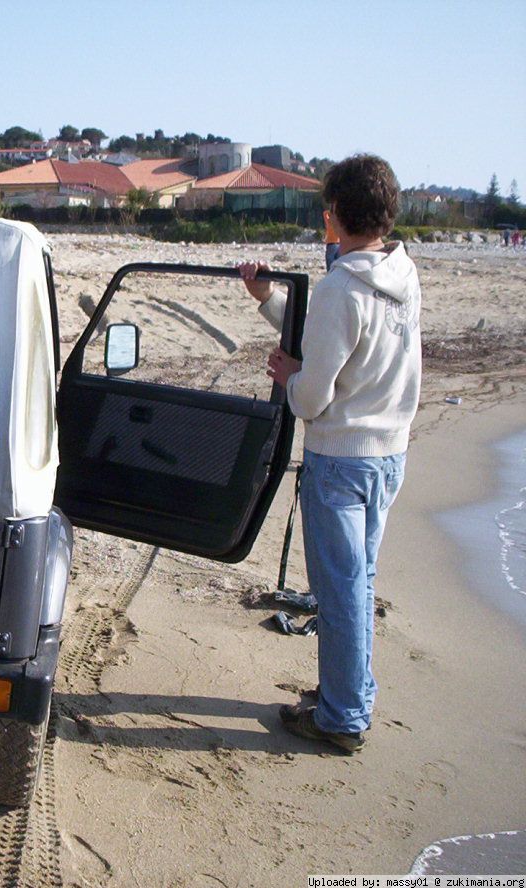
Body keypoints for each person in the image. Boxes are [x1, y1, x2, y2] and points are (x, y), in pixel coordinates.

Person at [237, 153, 421, 755]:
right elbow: (333, 335)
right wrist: (269, 300)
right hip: (388, 454)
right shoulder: (402, 272)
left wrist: (290, 376)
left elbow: (312, 397)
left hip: (342, 458)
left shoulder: (344, 285)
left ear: (335, 214)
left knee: (340, 591)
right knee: (357, 582)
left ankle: (342, 715)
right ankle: (349, 693)